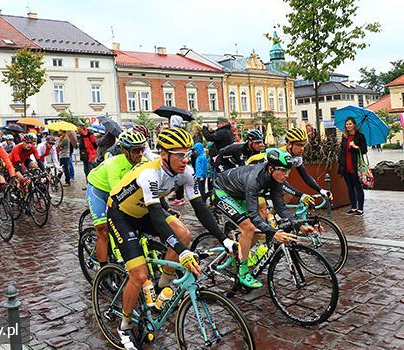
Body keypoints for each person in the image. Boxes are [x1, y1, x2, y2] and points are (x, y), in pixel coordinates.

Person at [107, 128, 237, 348]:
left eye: (187, 154)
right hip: (122, 215)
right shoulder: (150, 174)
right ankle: (125, 325)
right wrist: (182, 252)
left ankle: (161, 288)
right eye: (179, 154)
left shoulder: (185, 172)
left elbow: (200, 208)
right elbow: (157, 217)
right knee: (138, 276)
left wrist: (224, 239)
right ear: (164, 153)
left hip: (146, 211)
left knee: (184, 233)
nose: (185, 159)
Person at [212, 148, 314, 288]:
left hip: (239, 193)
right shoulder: (254, 179)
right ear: (271, 168)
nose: (287, 175)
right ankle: (243, 272)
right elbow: (253, 216)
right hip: (222, 190)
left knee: (260, 223)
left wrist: (299, 225)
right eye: (283, 171)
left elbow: (281, 209)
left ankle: (242, 251)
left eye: (288, 171)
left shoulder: (275, 179)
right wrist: (273, 232)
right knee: (248, 227)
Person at [85, 130, 148, 271]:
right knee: (103, 230)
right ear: (125, 151)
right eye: (136, 150)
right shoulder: (113, 164)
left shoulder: (143, 162)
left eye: (142, 150)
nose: (140, 154)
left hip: (115, 191)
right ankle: (103, 271)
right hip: (98, 190)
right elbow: (117, 193)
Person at [246, 128, 334, 204]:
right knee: (262, 206)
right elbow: (280, 182)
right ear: (289, 144)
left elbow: (305, 176)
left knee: (287, 196)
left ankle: (274, 217)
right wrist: (300, 195)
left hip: (267, 177)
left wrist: (321, 190)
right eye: (299, 145)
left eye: (304, 145)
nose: (302, 148)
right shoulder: (281, 156)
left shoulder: (297, 157)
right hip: (252, 172)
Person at [338, 117, 368, 215]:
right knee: (350, 188)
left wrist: (356, 146)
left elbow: (364, 150)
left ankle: (360, 208)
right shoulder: (344, 136)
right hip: (346, 166)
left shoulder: (360, 136)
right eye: (347, 124)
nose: (348, 126)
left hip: (356, 166)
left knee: (358, 187)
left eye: (350, 124)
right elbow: (342, 150)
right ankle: (353, 207)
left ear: (354, 125)